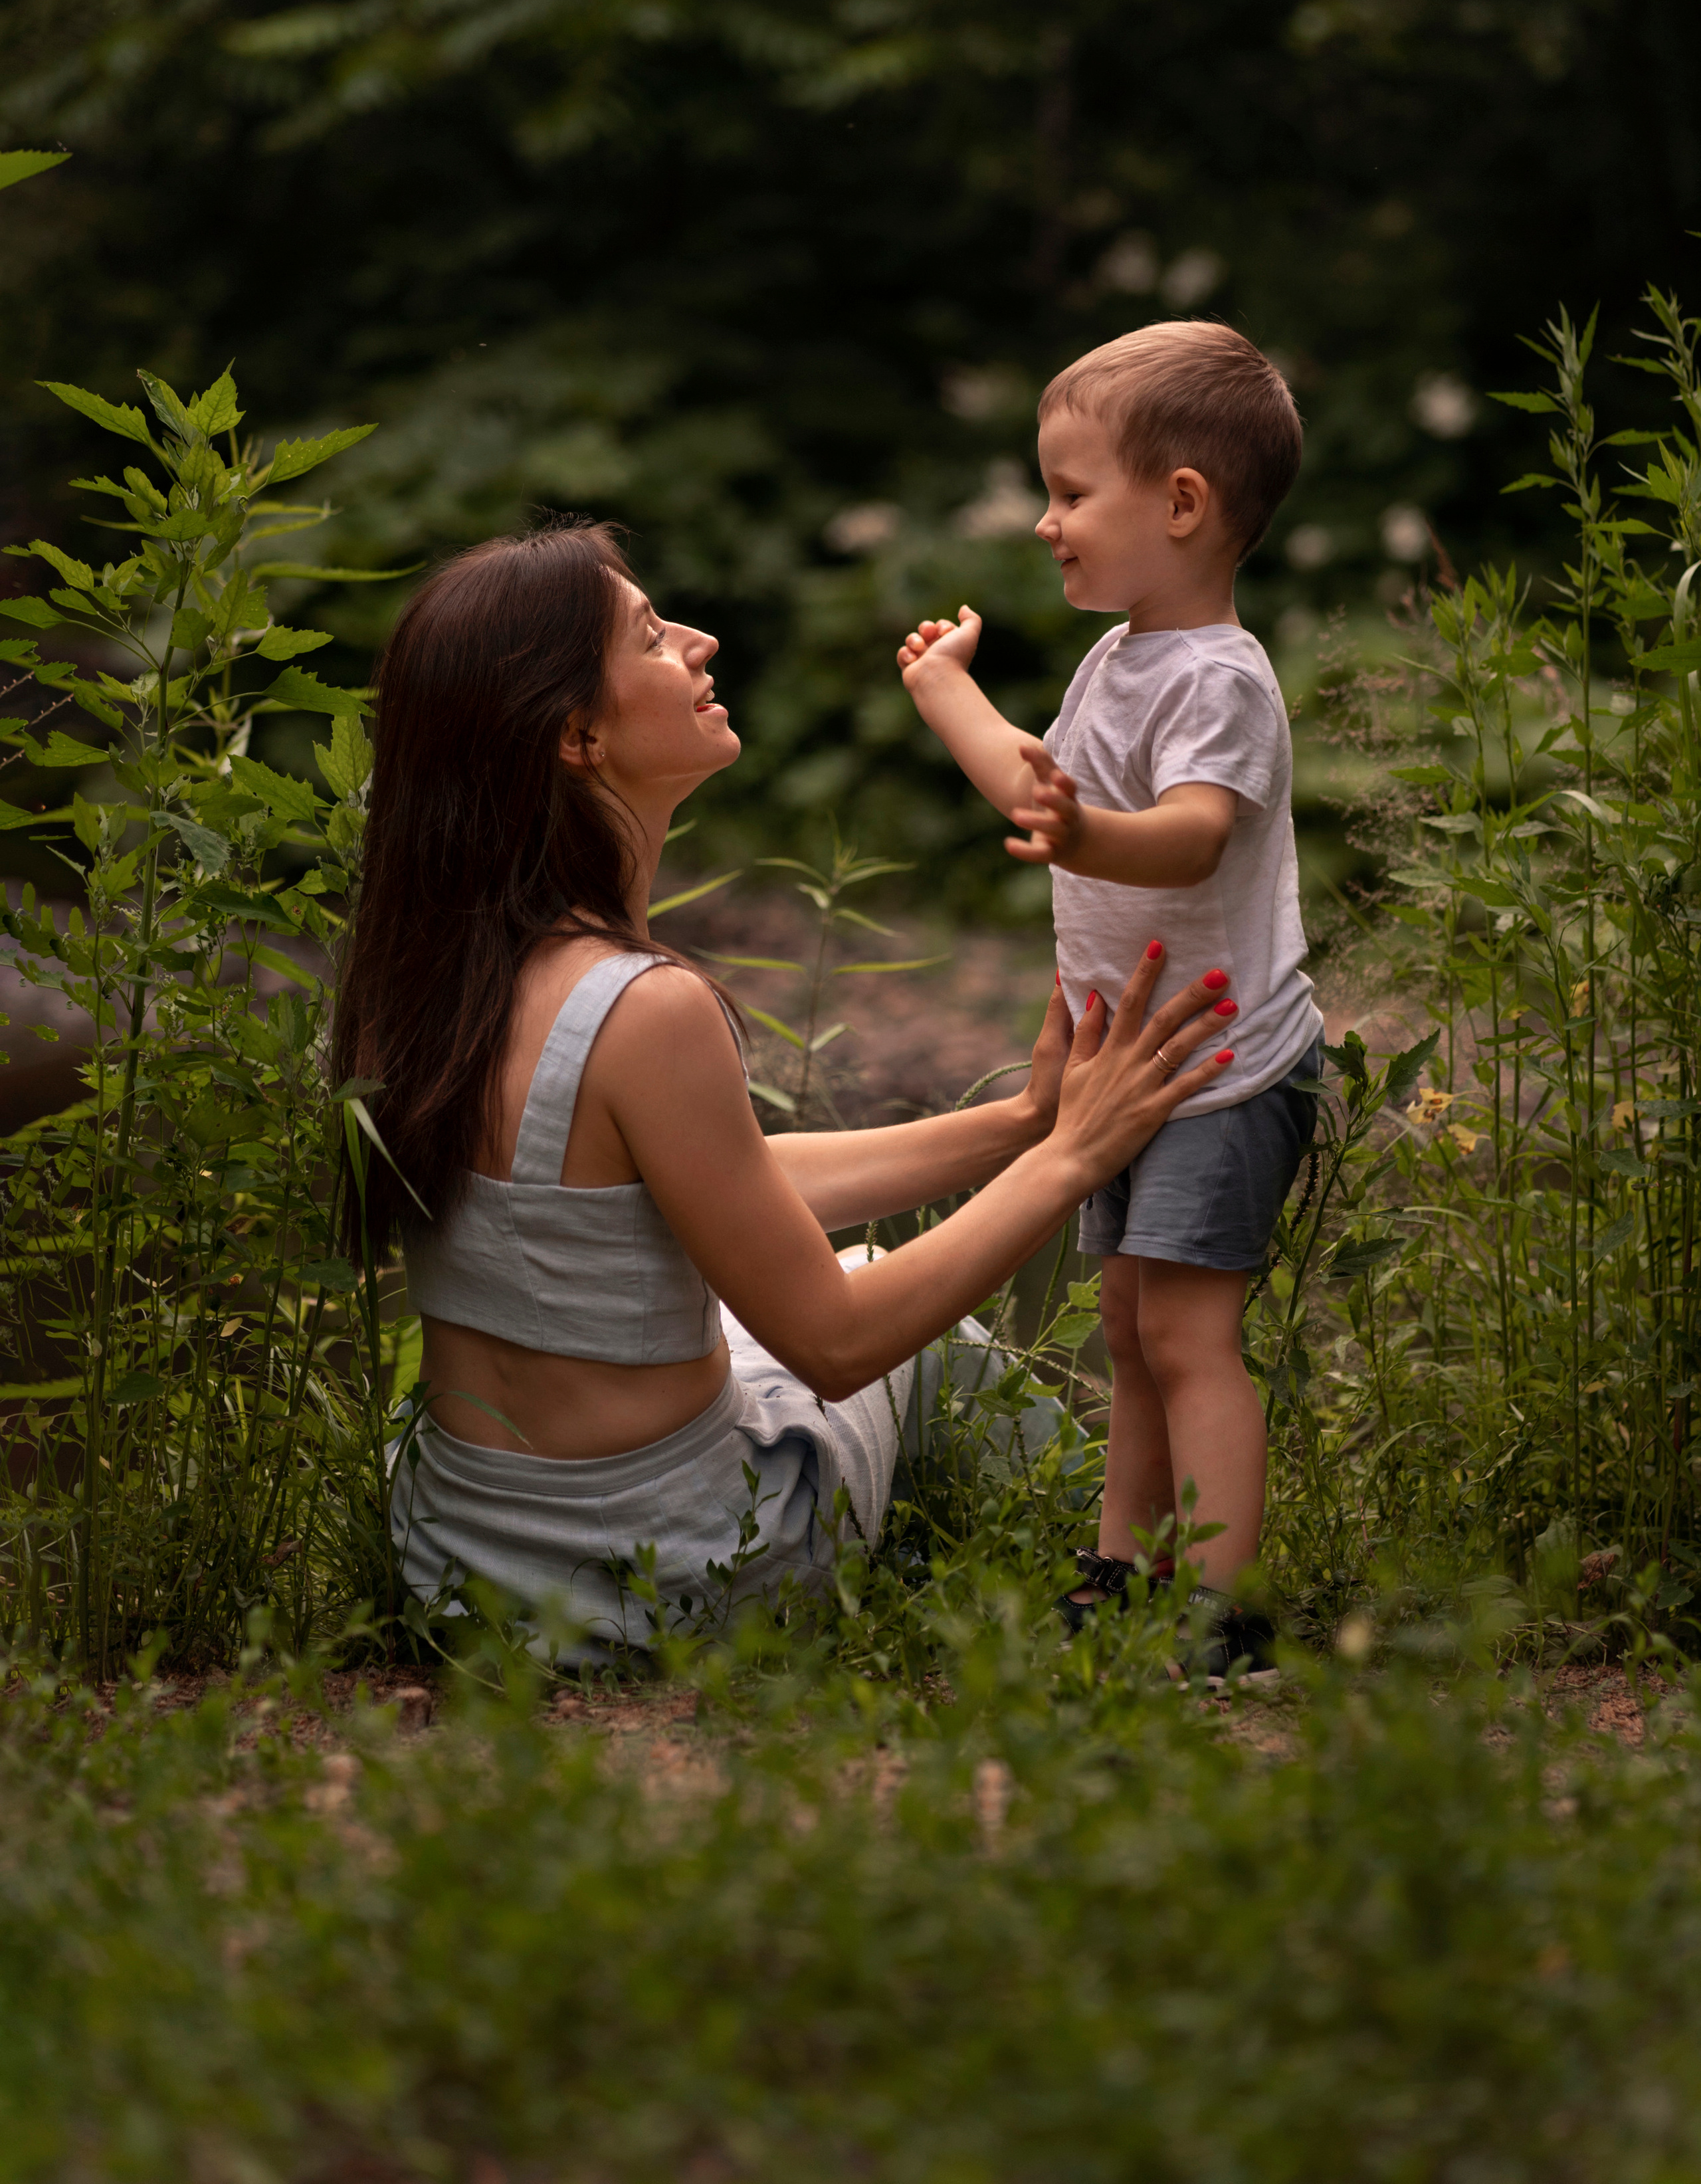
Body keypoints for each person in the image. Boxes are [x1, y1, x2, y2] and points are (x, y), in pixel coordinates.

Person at [332, 518, 1237, 1663]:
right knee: (927, 1339)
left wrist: (1019, 1123)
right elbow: (836, 1342)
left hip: (462, 1576)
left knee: (834, 1283)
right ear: (575, 734)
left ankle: (1083, 1575)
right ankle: (1127, 1599)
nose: (702, 643)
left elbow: (706, 1183)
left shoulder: (437, 976)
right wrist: (1074, 1159)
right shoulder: (644, 1006)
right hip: (677, 1585)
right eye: (655, 637)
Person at [896, 320, 1322, 1676]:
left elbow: (1189, 832)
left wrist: (1085, 839)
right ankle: (1121, 1565)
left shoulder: (1217, 677)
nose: (1044, 523)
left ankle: (1218, 1602)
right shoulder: (1117, 659)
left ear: (1181, 503)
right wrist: (944, 691)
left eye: (1071, 493)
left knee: (1188, 1334)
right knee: (1133, 1324)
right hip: (1131, 1065)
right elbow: (1045, 788)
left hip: (1219, 1067)